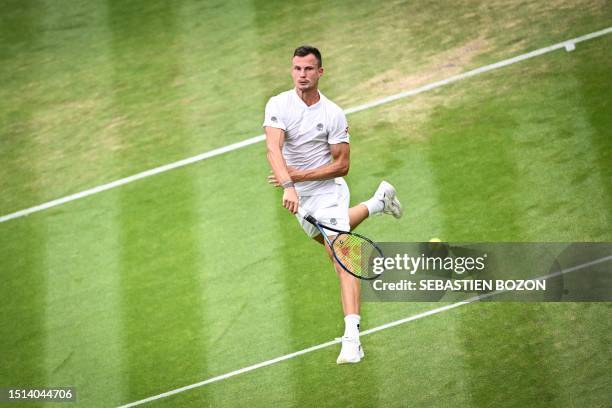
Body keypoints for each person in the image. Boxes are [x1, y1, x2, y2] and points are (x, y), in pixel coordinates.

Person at [264, 45, 402, 364]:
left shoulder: (333, 114)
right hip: (300, 198)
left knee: (341, 253)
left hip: (328, 192)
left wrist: (297, 177)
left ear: (320, 72)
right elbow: (273, 149)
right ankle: (379, 202)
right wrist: (289, 184)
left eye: (309, 69)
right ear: (292, 70)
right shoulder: (278, 105)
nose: (302, 75)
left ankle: (352, 337)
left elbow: (342, 166)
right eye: (297, 68)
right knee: (326, 240)